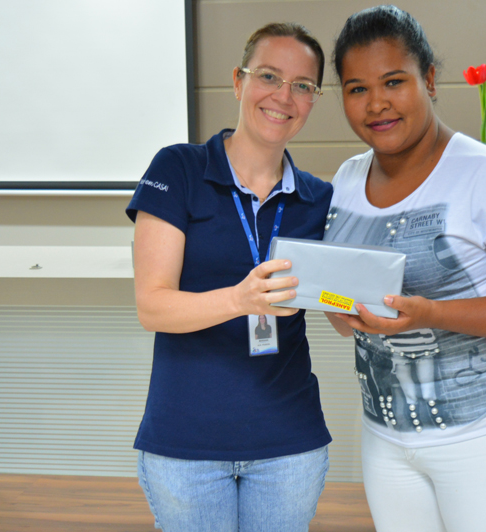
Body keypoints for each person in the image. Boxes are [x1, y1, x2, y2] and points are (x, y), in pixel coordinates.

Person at [323, 6, 486, 532]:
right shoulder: (346, 180)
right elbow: (347, 310)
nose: (376, 103)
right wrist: (339, 309)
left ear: (430, 80)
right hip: (386, 440)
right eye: (357, 88)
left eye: (394, 81)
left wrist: (431, 314)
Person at [125, 22, 333, 532]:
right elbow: (152, 306)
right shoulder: (179, 169)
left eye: (302, 85)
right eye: (269, 76)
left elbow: (334, 305)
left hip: (289, 443)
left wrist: (364, 309)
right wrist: (241, 300)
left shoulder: (318, 198)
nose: (283, 96)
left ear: (313, 100)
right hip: (186, 441)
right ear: (239, 81)